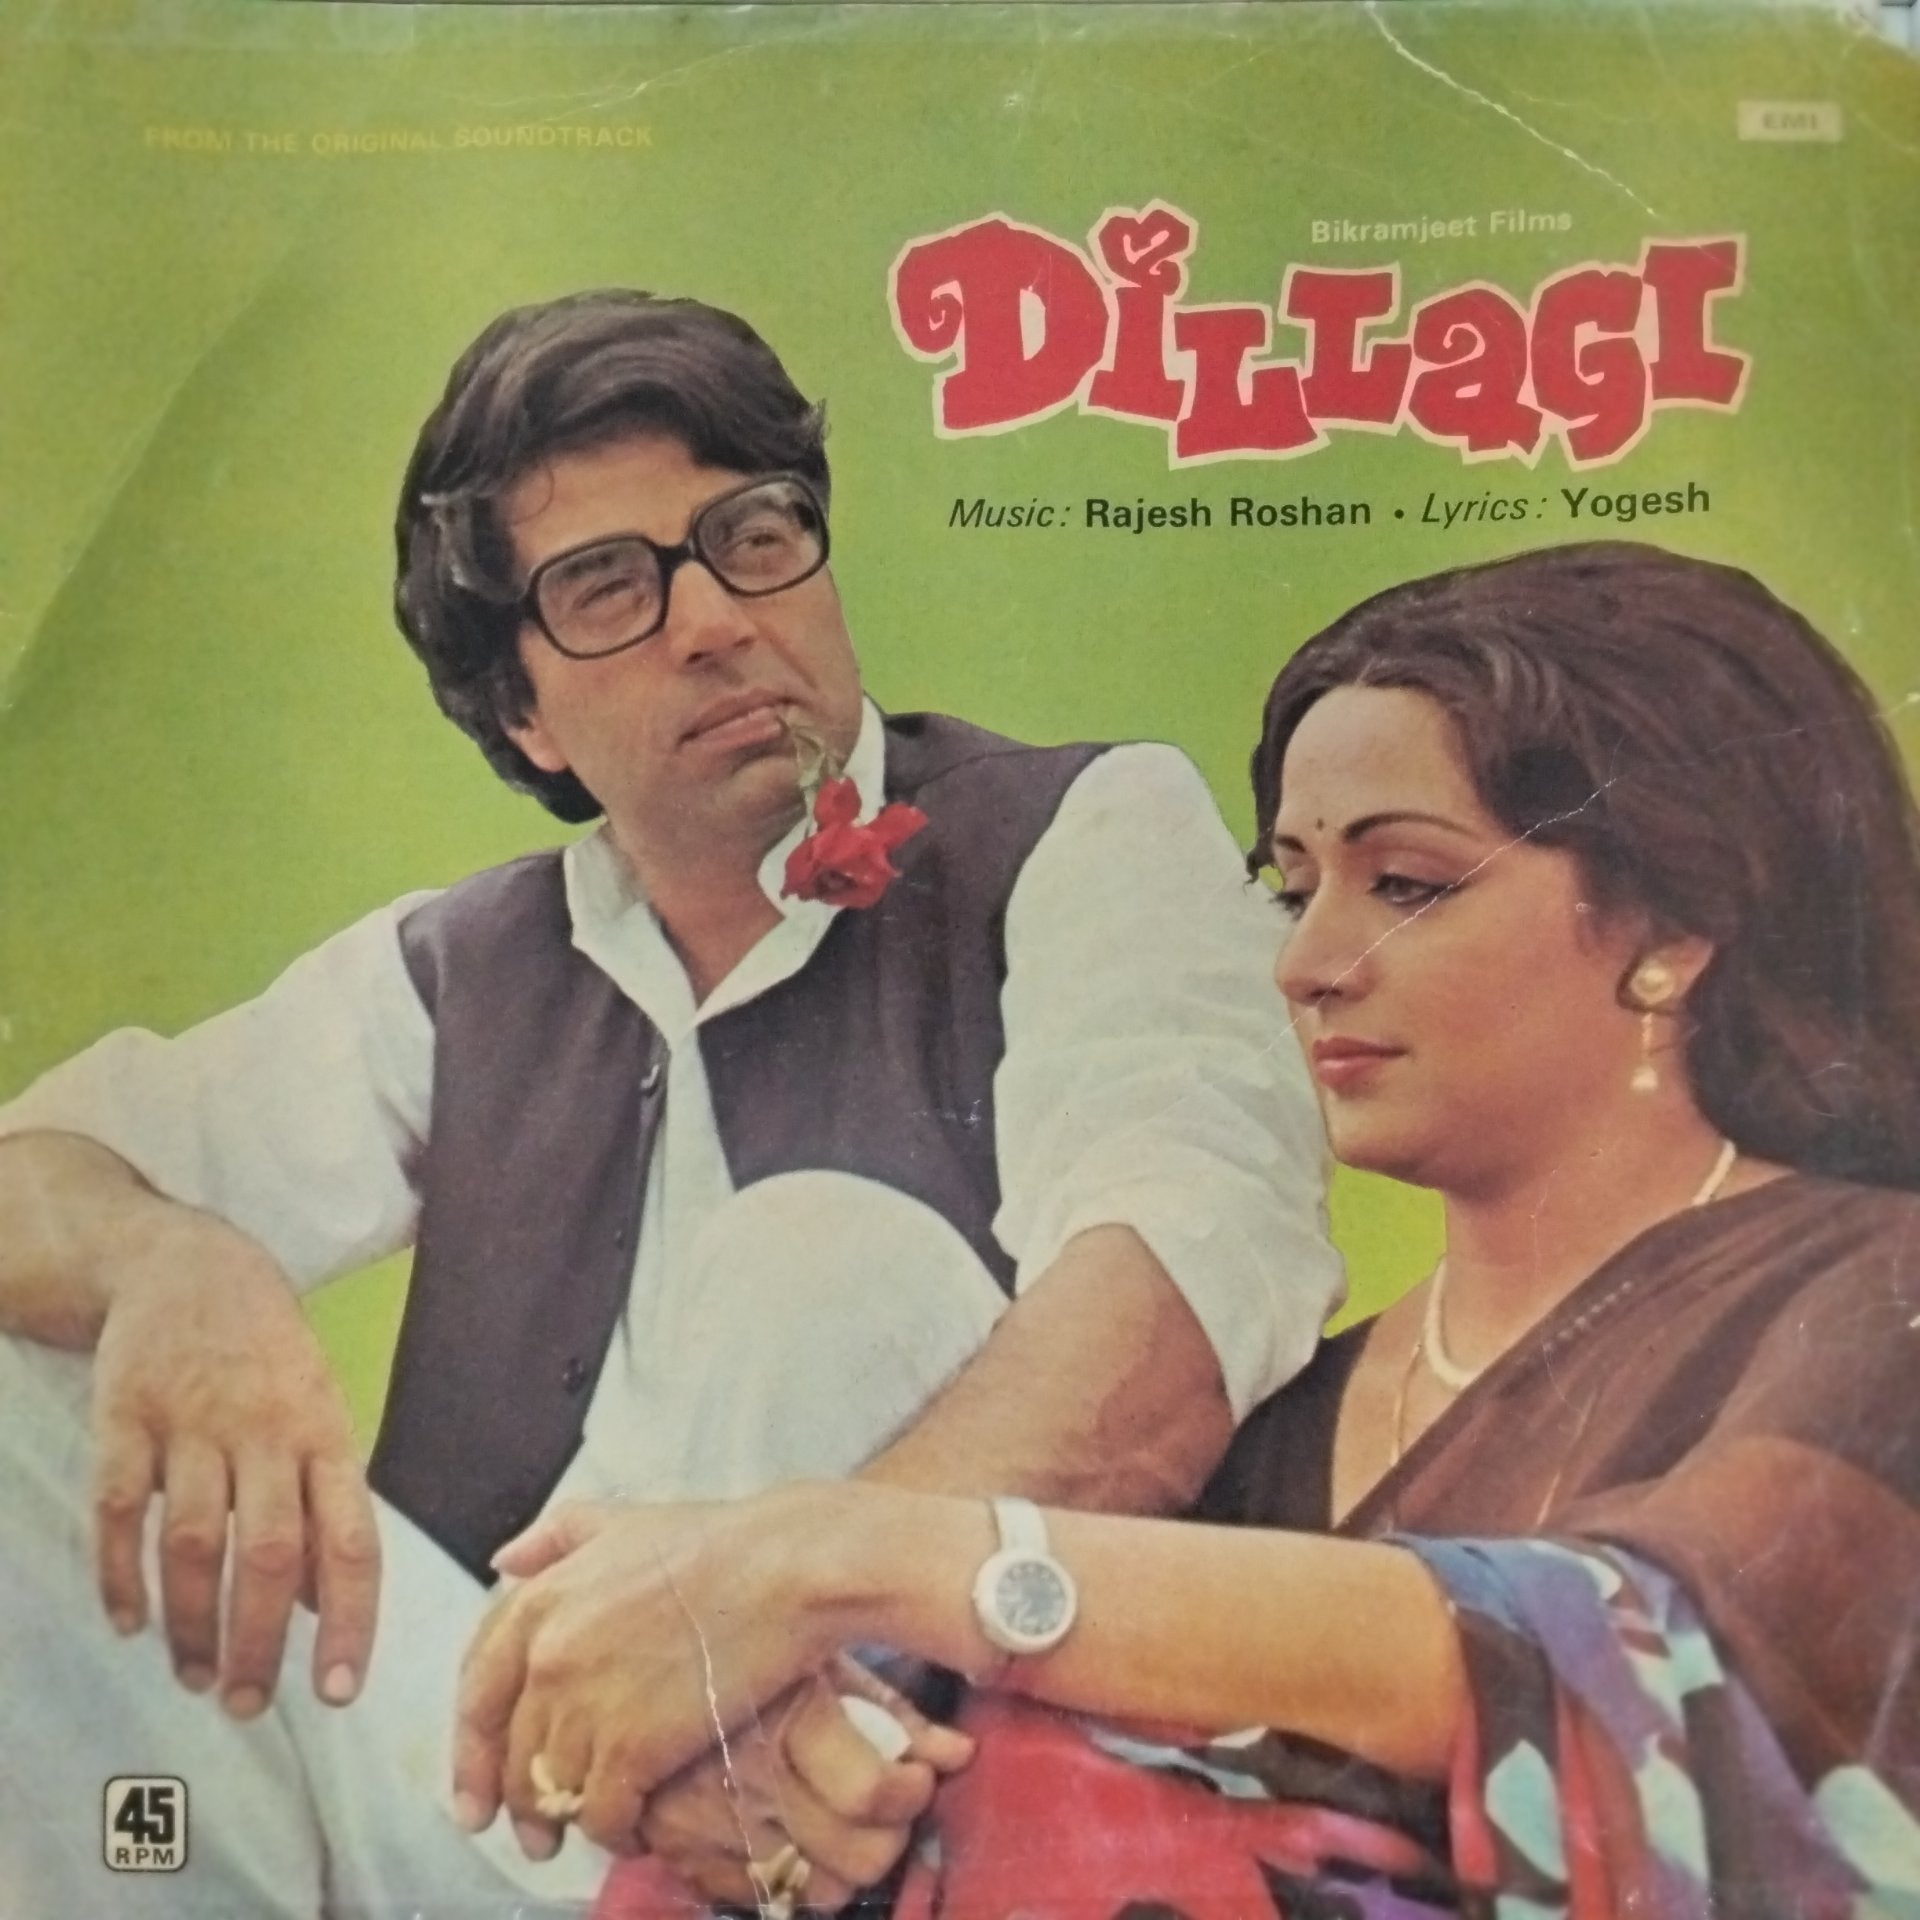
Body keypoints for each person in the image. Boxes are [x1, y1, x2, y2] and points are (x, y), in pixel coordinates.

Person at [0, 290, 1338, 1914]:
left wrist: (763, 1601)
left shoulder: (1083, 830)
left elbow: (1185, 1278)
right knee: (27, 1364)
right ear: (523, 713)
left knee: (822, 1256)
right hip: (486, 1778)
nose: (713, 619)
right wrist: (172, 1261)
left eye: (752, 536)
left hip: (861, 1803)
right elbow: (39, 1170)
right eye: (607, 588)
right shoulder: (459, 968)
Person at [456, 540, 1920, 1917]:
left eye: (1406, 885)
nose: (1307, 961)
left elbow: (1682, 1674)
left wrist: (839, 1557)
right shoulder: (1285, 1424)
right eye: (1294, 887)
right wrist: (773, 1769)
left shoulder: (1874, 1289)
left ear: (1676, 928)